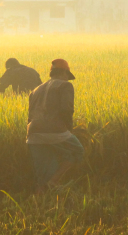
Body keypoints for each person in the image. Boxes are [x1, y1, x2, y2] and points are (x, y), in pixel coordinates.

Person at [26, 59, 84, 193]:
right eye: (68, 76)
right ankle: (53, 182)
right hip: (55, 130)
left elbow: (30, 115)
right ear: (64, 72)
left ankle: (38, 202)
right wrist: (69, 130)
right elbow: (67, 110)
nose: (68, 80)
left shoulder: (35, 89)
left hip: (33, 133)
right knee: (77, 151)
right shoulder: (65, 86)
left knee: (43, 176)